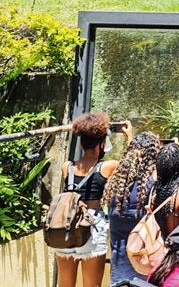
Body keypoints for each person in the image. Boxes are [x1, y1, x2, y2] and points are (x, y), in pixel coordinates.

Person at [55, 112, 133, 287]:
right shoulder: (107, 167)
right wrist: (130, 138)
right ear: (102, 143)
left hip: (65, 228)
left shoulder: (66, 167)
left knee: (65, 285)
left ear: (81, 143)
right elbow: (132, 167)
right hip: (90, 228)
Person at [103, 131, 161, 284]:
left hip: (119, 274)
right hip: (145, 272)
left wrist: (132, 141)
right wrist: (176, 147)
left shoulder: (115, 185)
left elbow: (134, 159)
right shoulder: (151, 187)